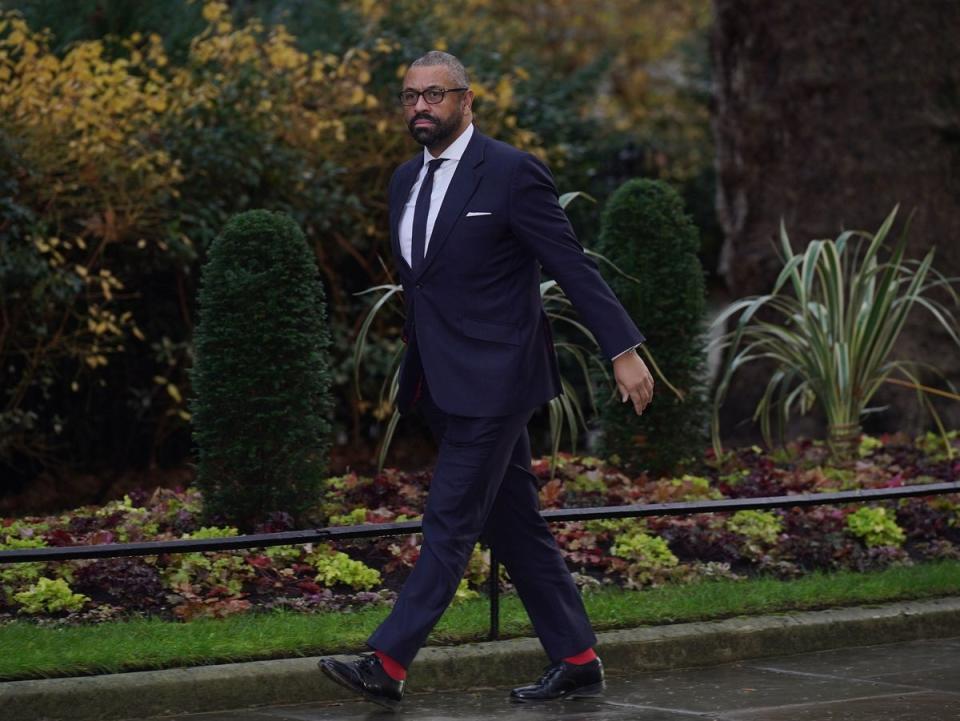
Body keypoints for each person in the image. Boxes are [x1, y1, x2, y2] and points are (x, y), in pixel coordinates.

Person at [318, 50, 654, 710]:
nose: (420, 106)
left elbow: (571, 263)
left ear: (467, 102)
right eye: (410, 96)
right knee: (516, 523)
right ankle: (578, 656)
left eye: (434, 95)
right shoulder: (401, 182)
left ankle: (387, 660)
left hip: (498, 382)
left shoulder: (510, 173)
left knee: (448, 520)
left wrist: (623, 347)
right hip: (442, 383)